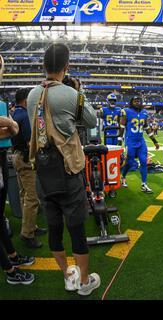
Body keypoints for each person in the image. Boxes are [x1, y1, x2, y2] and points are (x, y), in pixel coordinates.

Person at [27, 44, 100, 295]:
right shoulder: (71, 95)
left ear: (43, 66)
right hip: (68, 170)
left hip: (43, 172)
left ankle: (67, 275)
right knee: (76, 227)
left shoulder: (32, 94)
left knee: (54, 226)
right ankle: (84, 283)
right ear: (66, 67)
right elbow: (91, 121)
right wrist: (79, 93)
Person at [0, 54, 35, 285]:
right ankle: (10, 272)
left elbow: (11, 131)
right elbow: (10, 128)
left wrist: (9, 124)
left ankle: (12, 256)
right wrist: (8, 123)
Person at [11, 88, 46, 249]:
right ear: (26, 100)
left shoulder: (15, 113)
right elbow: (29, 142)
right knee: (32, 198)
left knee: (24, 195)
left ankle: (31, 226)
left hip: (16, 156)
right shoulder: (25, 115)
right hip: (25, 159)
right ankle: (27, 234)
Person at [119, 96, 160, 193]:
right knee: (129, 162)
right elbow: (121, 127)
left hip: (141, 142)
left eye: (138, 101)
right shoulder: (126, 111)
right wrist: (119, 141)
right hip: (130, 141)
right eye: (135, 101)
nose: (137, 103)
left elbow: (146, 128)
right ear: (131, 102)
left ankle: (144, 184)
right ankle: (123, 177)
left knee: (143, 162)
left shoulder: (144, 113)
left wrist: (154, 141)